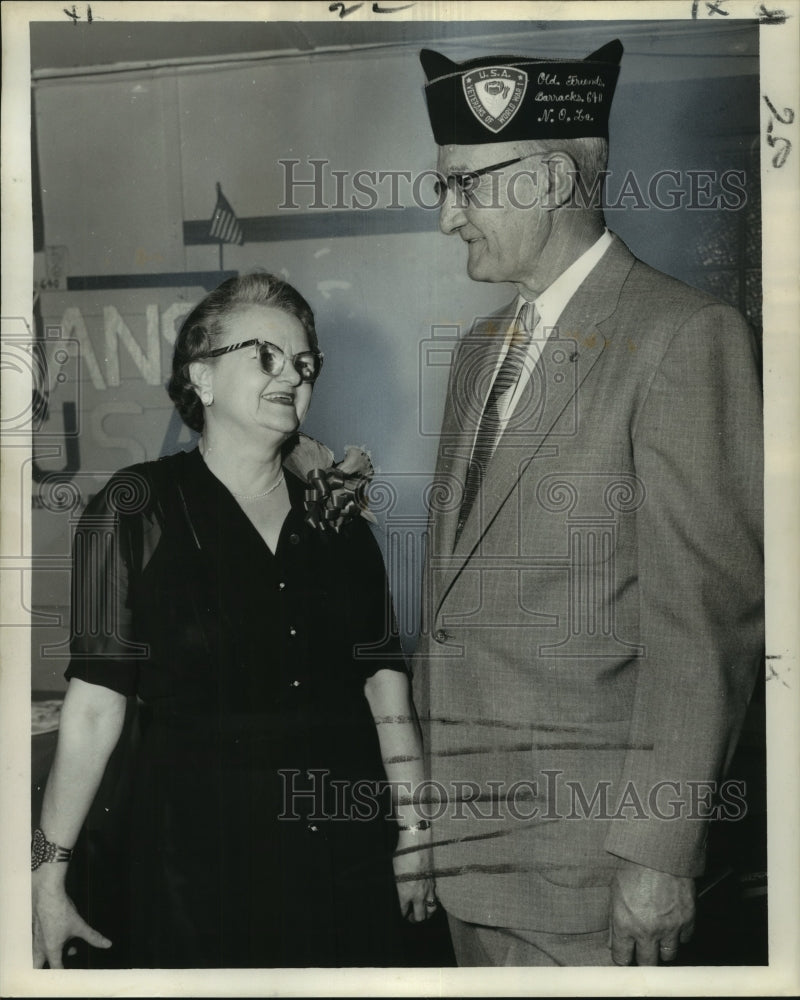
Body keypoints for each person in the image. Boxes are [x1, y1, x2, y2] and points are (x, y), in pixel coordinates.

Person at [412, 41, 764, 966]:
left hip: (590, 879)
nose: (448, 217)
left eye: (464, 185)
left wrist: (659, 856)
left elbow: (706, 629)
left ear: (548, 179)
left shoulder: (686, 339)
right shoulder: (476, 353)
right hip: (470, 863)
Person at [32, 272, 435, 969]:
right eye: (266, 355)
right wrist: (46, 868)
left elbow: (385, 690)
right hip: (191, 869)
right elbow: (96, 706)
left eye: (305, 364)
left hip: (340, 859)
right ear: (203, 376)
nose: (293, 376)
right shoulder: (133, 511)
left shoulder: (343, 529)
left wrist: (415, 833)